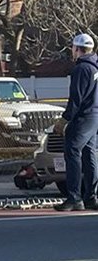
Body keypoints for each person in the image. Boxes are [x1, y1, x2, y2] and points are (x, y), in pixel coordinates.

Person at [53, 34, 98, 211]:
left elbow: (76, 98)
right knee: (89, 154)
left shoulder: (81, 69)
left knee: (72, 151)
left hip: (82, 118)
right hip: (94, 116)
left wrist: (65, 119)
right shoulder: (95, 67)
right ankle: (91, 197)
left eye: (73, 48)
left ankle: (74, 198)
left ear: (77, 49)